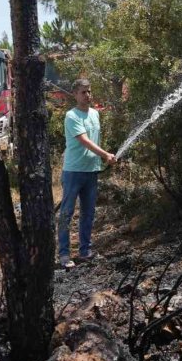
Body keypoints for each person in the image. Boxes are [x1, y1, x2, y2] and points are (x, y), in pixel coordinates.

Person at [58, 78, 116, 268]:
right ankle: (64, 254)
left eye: (89, 91)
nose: (88, 95)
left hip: (91, 170)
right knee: (67, 213)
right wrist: (105, 154)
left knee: (88, 213)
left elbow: (95, 139)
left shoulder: (95, 114)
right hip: (73, 171)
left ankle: (85, 252)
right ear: (75, 94)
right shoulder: (71, 116)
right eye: (83, 92)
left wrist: (101, 158)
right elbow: (84, 141)